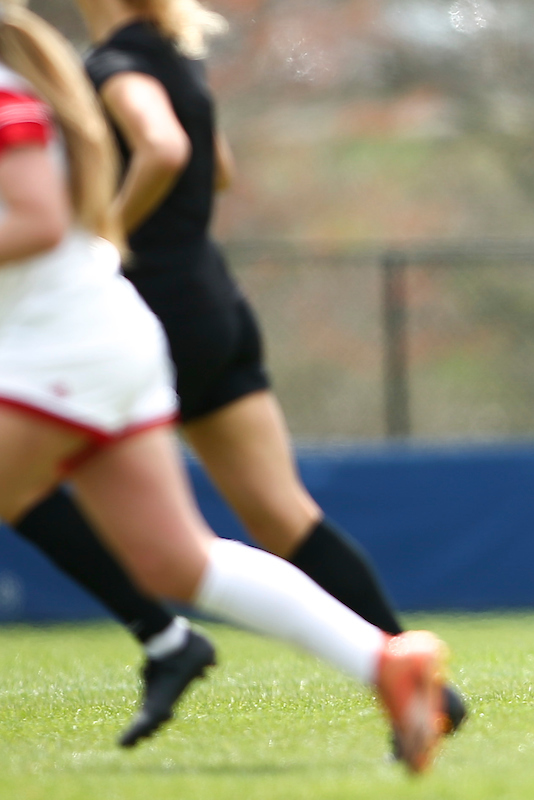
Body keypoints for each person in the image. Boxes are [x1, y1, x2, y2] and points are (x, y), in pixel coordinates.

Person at [0, 2, 446, 772]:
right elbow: (211, 162)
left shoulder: (99, 69)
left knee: (259, 525)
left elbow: (90, 191)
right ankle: (387, 660)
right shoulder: (147, 62)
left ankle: (170, 638)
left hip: (84, 338)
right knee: (192, 557)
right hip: (154, 319)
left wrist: (107, 230)